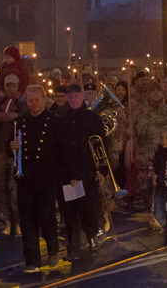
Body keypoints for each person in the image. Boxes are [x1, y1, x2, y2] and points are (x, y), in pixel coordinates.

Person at [10, 85, 60, 273]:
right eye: (29, 100)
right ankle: (32, 259)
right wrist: (12, 146)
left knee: (46, 216)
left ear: (44, 99)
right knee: (27, 219)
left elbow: (60, 149)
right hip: (25, 178)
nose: (32, 103)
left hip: (46, 177)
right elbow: (13, 148)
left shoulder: (53, 121)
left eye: (36, 100)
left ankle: (53, 250)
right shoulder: (20, 122)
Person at [59, 84, 104, 260]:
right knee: (70, 211)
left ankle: (92, 237)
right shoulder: (61, 119)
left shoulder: (93, 119)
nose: (73, 99)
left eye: (76, 96)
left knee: (88, 207)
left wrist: (101, 171)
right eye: (70, 97)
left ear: (82, 96)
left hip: (86, 171)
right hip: (68, 173)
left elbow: (101, 146)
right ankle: (73, 245)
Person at [0, 73, 26, 236]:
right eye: (8, 85)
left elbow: (26, 115)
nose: (10, 88)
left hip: (14, 151)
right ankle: (8, 220)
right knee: (0, 185)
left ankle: (18, 221)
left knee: (15, 188)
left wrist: (15, 116)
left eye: (13, 85)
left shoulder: (22, 102)